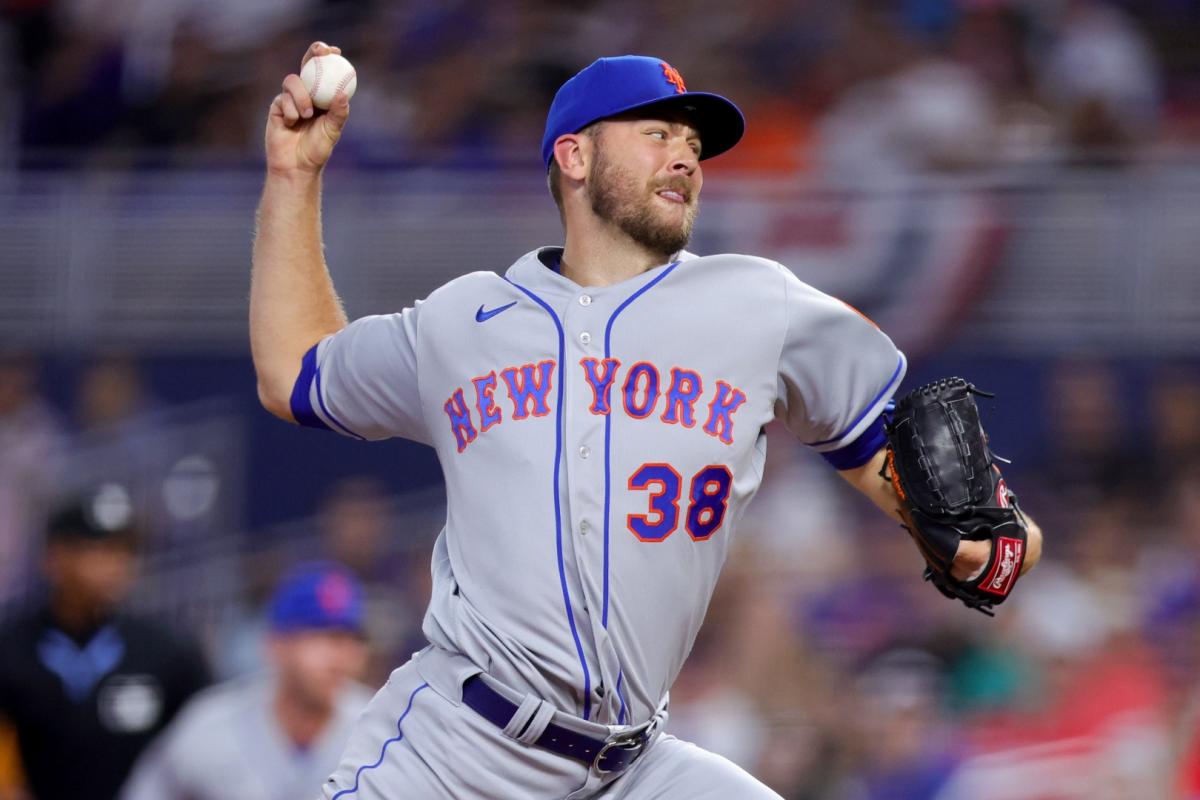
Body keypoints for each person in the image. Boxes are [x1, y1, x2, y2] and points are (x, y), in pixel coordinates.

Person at [250, 45, 1044, 799]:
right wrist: (295, 174)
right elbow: (296, 373)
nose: (686, 157)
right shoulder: (464, 322)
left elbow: (933, 491)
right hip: (458, 749)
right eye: (657, 133)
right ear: (575, 157)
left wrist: (994, 543)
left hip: (631, 764)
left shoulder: (760, 308)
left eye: (694, 142)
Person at [0, 483, 210, 800]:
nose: (116, 566)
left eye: (126, 551)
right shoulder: (11, 645)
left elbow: (207, 745)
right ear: (55, 557)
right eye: (99, 550)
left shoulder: (167, 651)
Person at [120, 561, 374, 800]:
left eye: (352, 641)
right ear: (276, 645)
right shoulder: (212, 724)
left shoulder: (382, 726)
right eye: (324, 639)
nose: (341, 658)